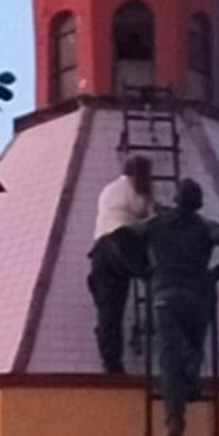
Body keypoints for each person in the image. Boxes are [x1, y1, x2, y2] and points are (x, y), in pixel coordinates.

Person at [129, 178, 219, 436]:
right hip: (199, 296)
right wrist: (216, 273)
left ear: (176, 199)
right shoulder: (203, 226)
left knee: (170, 358)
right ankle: (192, 379)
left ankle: (175, 418)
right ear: (197, 204)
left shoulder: (157, 224)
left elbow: (119, 239)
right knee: (194, 345)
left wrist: (141, 270)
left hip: (166, 296)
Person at [88, 156, 153, 373]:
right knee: (153, 276)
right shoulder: (136, 189)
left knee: (109, 311)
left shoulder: (109, 189)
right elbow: (143, 213)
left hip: (99, 249)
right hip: (122, 241)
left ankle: (111, 363)